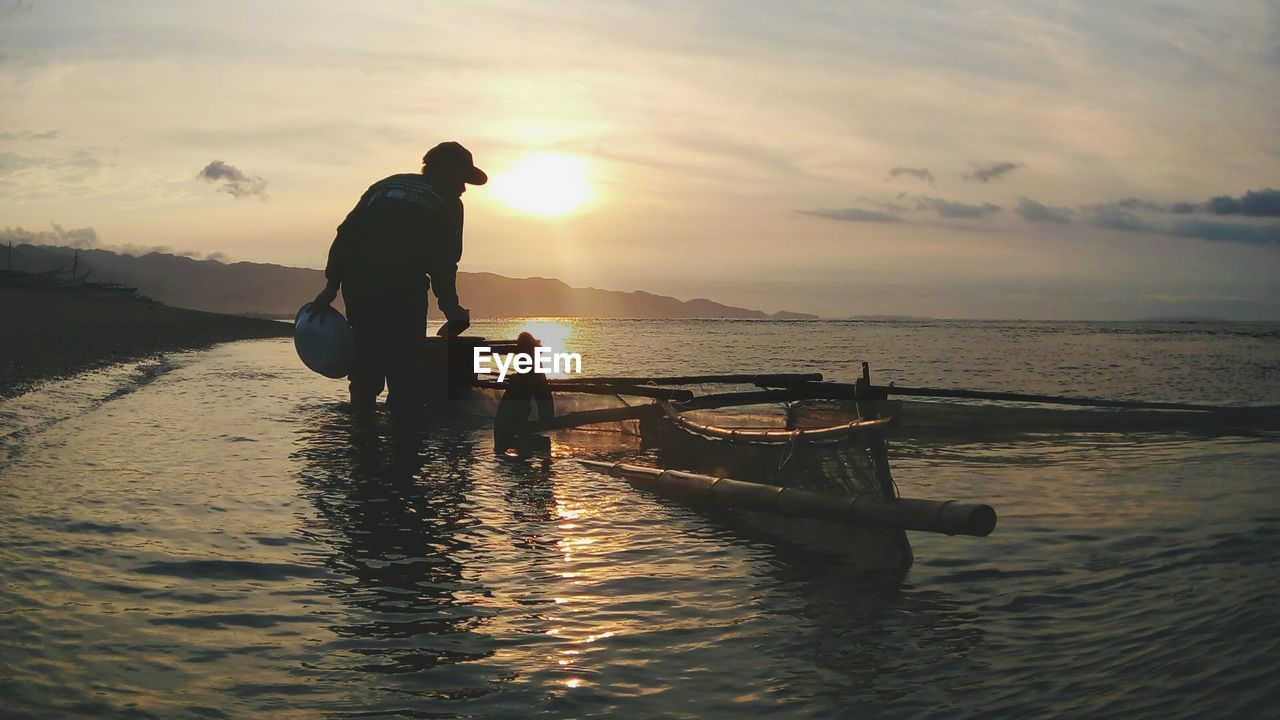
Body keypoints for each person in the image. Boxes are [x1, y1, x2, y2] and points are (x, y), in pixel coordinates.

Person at [311, 141, 484, 417]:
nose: (464, 188)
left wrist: (331, 287)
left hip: (359, 287)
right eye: (463, 179)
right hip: (402, 290)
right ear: (447, 170)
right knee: (405, 374)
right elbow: (444, 261)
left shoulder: (383, 186)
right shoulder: (449, 202)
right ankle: (404, 448)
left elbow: (345, 235)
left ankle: (362, 440)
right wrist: (451, 309)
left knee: (365, 369)